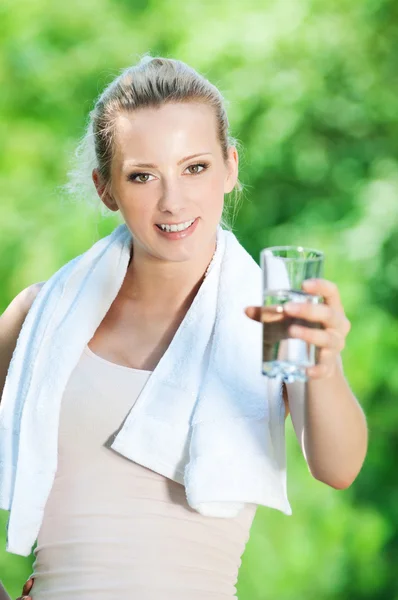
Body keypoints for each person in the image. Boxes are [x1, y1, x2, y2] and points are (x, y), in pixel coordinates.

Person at [0, 56, 368, 600]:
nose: (173, 201)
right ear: (107, 190)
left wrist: (325, 364)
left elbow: (338, 468)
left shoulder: (271, 317)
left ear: (230, 166)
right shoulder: (40, 315)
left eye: (194, 167)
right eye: (143, 176)